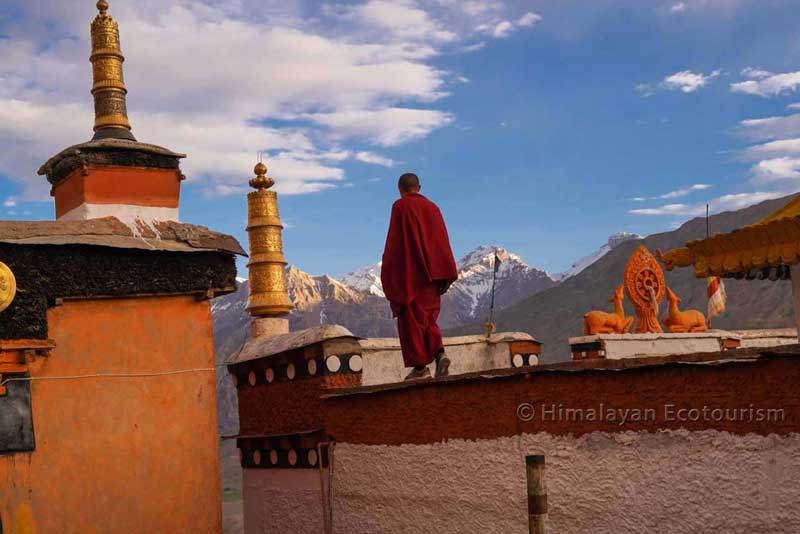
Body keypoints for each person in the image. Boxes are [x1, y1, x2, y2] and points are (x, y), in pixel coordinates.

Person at [381, 173, 458, 380]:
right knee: (429, 319)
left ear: (400, 189)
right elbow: (441, 241)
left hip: (410, 276)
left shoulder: (400, 206)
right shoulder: (433, 208)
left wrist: (389, 273)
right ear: (419, 187)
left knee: (411, 321)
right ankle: (440, 353)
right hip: (433, 275)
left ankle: (420, 366)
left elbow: (395, 244)